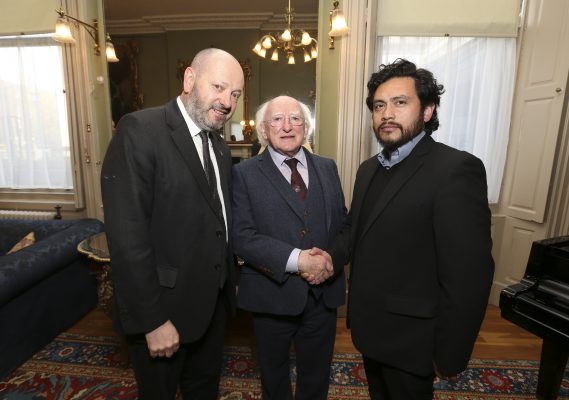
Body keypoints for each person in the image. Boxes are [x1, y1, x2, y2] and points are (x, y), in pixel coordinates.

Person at [329, 59, 495, 399]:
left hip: (414, 343)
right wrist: (322, 258)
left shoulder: (455, 170)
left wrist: (449, 353)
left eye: (399, 102)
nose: (387, 113)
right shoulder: (367, 170)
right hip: (370, 332)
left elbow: (469, 276)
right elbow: (354, 230)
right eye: (379, 105)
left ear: (428, 110)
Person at [100, 48, 244, 399]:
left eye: (235, 94)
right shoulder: (140, 131)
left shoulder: (220, 148)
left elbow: (217, 222)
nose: (226, 101)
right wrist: (152, 321)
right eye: (219, 87)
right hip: (163, 314)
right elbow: (127, 237)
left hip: (210, 311)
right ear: (189, 79)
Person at [231, 95, 347, 400]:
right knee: (273, 378)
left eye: (295, 118)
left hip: (323, 296)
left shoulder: (327, 167)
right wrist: (299, 261)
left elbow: (343, 225)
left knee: (316, 377)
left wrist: (329, 261)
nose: (287, 126)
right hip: (272, 297)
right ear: (264, 130)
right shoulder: (243, 174)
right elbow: (242, 236)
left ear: (306, 127)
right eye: (277, 120)